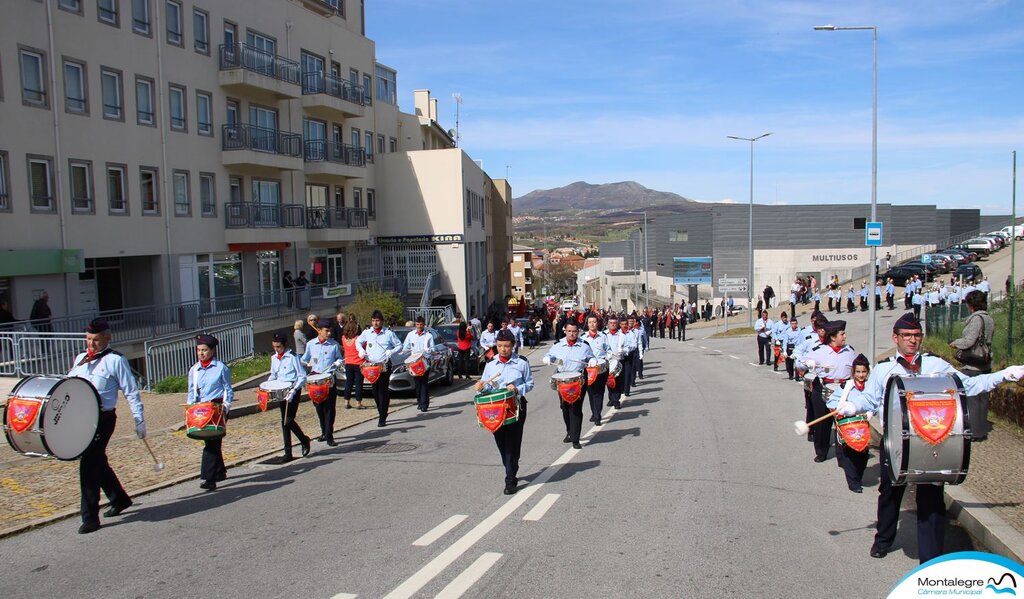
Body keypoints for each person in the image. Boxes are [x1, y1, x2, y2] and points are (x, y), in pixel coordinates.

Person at [838, 312, 1024, 563]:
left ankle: (931, 558)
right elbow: (868, 399)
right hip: (894, 443)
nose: (913, 340)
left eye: (917, 335)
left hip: (930, 441)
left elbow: (968, 386)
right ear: (896, 338)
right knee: (890, 495)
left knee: (932, 499)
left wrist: (1004, 375)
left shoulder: (937, 366)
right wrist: (852, 406)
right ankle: (883, 540)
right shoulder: (883, 370)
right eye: (907, 336)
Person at [68, 319, 146, 534]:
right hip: (82, 419)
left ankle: (90, 517)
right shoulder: (80, 359)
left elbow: (131, 391)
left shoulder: (115, 361)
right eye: (88, 339)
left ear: (107, 338)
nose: (91, 344)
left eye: (96, 339)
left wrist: (139, 420)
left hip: (102, 420)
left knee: (88, 464)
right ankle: (119, 499)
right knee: (97, 461)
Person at [476, 329, 534, 495]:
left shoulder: (522, 362)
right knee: (501, 443)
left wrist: (517, 388)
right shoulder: (490, 363)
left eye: (506, 346)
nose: (503, 349)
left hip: (516, 406)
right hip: (495, 409)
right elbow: (486, 386)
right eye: (500, 346)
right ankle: (511, 465)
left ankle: (510, 480)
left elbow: (529, 384)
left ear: (513, 346)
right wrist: (481, 386)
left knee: (513, 442)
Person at [800, 319, 856, 463]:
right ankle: (821, 451)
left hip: (843, 390)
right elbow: (799, 363)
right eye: (842, 334)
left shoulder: (849, 351)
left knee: (843, 424)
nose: (845, 336)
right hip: (823, 389)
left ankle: (843, 455)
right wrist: (807, 363)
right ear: (833, 337)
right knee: (822, 424)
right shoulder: (819, 351)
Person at [186, 334, 233, 491]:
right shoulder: (194, 370)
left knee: (211, 442)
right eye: (199, 350)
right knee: (211, 441)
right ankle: (219, 471)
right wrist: (190, 408)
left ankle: (209, 478)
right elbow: (192, 392)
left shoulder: (221, 368)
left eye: (204, 350)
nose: (201, 353)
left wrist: (226, 407)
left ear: (212, 351)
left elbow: (228, 389)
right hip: (201, 408)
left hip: (217, 407)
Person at [949, 290, 994, 440]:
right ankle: (980, 429)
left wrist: (955, 343)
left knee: (973, 398)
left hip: (973, 365)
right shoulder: (989, 319)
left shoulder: (976, 319)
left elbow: (969, 341)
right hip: (985, 361)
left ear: (971, 304)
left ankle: (974, 432)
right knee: (983, 398)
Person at [543, 320, 594, 449]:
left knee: (576, 408)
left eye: (574, 331)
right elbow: (550, 355)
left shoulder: (584, 345)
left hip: (578, 379)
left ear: (578, 331)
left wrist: (593, 360)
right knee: (565, 407)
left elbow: (590, 357)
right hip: (562, 380)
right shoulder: (558, 345)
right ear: (565, 331)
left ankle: (575, 439)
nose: (571, 334)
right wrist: (548, 358)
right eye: (569, 331)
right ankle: (570, 431)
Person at [825, 353, 872, 493]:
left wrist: (870, 412)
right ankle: (853, 483)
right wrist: (841, 409)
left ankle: (858, 476)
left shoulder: (871, 387)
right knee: (849, 456)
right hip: (846, 425)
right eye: (858, 371)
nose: (861, 375)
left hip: (863, 426)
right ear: (853, 372)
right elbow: (832, 401)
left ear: (868, 372)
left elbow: (876, 403)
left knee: (863, 456)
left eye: (864, 371)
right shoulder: (846, 386)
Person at [268, 332, 311, 462]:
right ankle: (288, 452)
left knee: (288, 419)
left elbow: (302, 375)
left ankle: (304, 439)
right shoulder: (274, 358)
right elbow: (274, 374)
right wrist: (268, 384)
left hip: (292, 390)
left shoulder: (292, 357)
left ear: (285, 345)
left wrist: (294, 390)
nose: (276, 349)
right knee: (284, 421)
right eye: (274, 346)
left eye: (279, 346)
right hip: (280, 390)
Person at [357, 310, 402, 427]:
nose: (375, 323)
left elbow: (399, 345)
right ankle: (380, 411)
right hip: (371, 365)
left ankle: (383, 416)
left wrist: (391, 351)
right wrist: (361, 350)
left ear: (382, 321)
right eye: (373, 321)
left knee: (383, 390)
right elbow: (358, 341)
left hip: (384, 364)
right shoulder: (367, 332)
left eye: (377, 320)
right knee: (375, 391)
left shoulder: (388, 333)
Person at [302, 319, 343, 445]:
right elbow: (304, 359)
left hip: (329, 379)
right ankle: (324, 432)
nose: (329, 333)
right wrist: (306, 364)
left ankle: (329, 435)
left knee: (329, 408)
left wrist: (338, 362)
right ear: (319, 331)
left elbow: (340, 359)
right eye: (326, 331)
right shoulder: (311, 344)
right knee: (319, 408)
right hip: (315, 380)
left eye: (330, 331)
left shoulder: (334, 345)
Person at [581, 314, 611, 425]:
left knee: (599, 392)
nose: (592, 324)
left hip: (601, 368)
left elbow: (608, 349)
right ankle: (594, 413)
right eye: (590, 322)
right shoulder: (583, 337)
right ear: (587, 324)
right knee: (591, 392)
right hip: (588, 369)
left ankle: (597, 414)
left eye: (594, 322)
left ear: (597, 323)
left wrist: (610, 356)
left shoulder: (603, 336)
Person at [402, 315, 435, 412]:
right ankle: (419, 401)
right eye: (418, 324)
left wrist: (429, 350)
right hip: (413, 362)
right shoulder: (411, 335)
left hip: (424, 361)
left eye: (421, 324)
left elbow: (432, 349)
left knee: (424, 382)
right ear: (415, 324)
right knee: (417, 383)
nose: (419, 326)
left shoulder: (428, 336)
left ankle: (424, 404)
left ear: (424, 324)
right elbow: (406, 347)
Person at [604, 315, 630, 409]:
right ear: (608, 324)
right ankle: (611, 398)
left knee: (618, 381)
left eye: (614, 323)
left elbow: (627, 347)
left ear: (617, 324)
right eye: (611, 323)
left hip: (619, 360)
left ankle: (616, 400)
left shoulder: (621, 335)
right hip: (608, 361)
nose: (613, 325)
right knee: (609, 380)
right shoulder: (604, 334)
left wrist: (622, 350)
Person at [340, 321, 365, 409]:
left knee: (349, 383)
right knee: (358, 384)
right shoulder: (358, 339)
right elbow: (364, 348)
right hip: (358, 363)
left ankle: (346, 401)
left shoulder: (343, 338)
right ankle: (358, 403)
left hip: (348, 362)